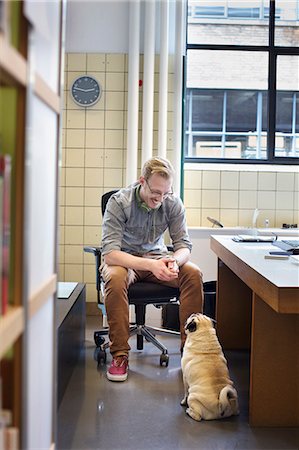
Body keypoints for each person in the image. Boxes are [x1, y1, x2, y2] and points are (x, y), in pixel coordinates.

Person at [101, 157, 203, 381]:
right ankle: (119, 354)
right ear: (142, 182)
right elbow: (109, 254)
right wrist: (151, 265)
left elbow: (184, 246)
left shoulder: (172, 203)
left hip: (158, 258)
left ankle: (191, 353)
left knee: (193, 274)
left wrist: (174, 261)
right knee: (115, 278)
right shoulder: (119, 203)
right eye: (156, 192)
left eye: (166, 193)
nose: (160, 198)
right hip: (125, 261)